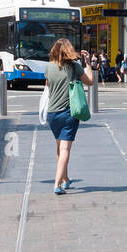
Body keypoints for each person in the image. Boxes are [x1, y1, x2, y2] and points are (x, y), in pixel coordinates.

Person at [44, 39, 93, 195]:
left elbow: (48, 85)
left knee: (59, 147)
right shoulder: (74, 67)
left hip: (52, 114)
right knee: (65, 149)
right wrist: (89, 64)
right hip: (68, 113)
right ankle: (57, 184)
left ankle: (65, 179)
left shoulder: (49, 67)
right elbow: (90, 82)